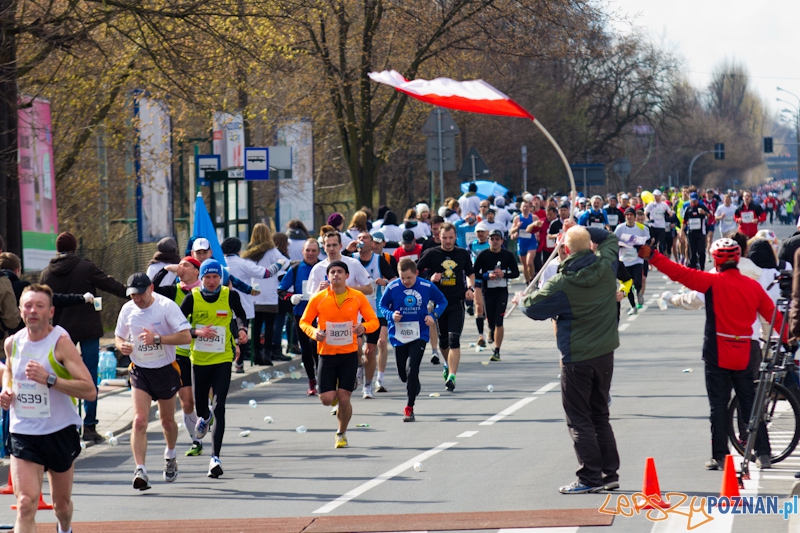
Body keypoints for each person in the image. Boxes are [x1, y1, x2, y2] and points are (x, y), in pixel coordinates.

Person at [645, 238, 780, 470]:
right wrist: (788, 340)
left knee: (718, 406)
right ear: (737, 258)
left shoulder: (711, 282)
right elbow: (774, 317)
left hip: (718, 351)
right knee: (750, 403)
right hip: (747, 351)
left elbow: (679, 273)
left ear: (715, 260)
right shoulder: (753, 286)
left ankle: (719, 456)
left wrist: (653, 256)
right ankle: (764, 453)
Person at [513, 223, 620, 494]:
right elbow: (608, 237)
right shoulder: (607, 265)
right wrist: (580, 228)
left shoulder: (563, 282)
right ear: (591, 246)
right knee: (600, 415)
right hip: (605, 354)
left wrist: (521, 299)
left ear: (565, 249)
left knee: (579, 418)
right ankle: (609, 474)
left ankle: (590, 478)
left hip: (577, 357)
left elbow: (532, 308)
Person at [1, 284, 97, 533]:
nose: (33, 311)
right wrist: (6, 390)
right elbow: (9, 370)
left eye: (39, 306)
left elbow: (89, 390)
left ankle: (64, 528)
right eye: (28, 306)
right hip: (23, 431)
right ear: (20, 311)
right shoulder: (12, 343)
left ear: (51, 311)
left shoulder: (60, 344)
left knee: (61, 506)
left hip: (59, 432)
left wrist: (50, 379)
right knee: (25, 503)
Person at [39, 231, 127, 444]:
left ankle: (63, 424)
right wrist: (130, 292)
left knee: (60, 377)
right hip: (87, 330)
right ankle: (89, 426)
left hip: (60, 333)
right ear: (75, 247)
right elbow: (109, 283)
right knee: (89, 377)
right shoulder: (86, 267)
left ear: (57, 249)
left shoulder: (46, 274)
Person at [114, 273, 192, 490]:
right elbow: (119, 337)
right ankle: (140, 470)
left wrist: (158, 339)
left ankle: (170, 454)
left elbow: (186, 336)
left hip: (165, 369)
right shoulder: (128, 309)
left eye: (140, 294)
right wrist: (122, 347)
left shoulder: (166, 306)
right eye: (132, 295)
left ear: (151, 288)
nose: (136, 299)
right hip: (140, 370)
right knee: (139, 421)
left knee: (167, 421)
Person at [180, 259, 248, 478]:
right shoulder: (193, 298)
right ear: (201, 278)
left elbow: (240, 315)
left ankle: (215, 457)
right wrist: (195, 332)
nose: (211, 281)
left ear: (221, 278)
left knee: (219, 406)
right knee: (203, 409)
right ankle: (204, 417)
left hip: (222, 359)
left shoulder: (230, 295)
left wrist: (242, 331)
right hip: (199, 361)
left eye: (215, 277)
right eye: (207, 277)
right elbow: (177, 325)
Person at [299, 261, 379, 448]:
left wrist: (363, 327)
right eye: (332, 272)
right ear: (328, 277)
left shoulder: (357, 297)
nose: (336, 275)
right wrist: (314, 333)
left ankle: (341, 433)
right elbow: (304, 322)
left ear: (347, 276)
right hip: (326, 354)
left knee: (344, 398)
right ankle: (334, 392)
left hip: (349, 354)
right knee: (327, 399)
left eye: (340, 272)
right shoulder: (318, 298)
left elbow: (373, 321)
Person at [379, 258, 447, 421]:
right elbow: (382, 306)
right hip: (399, 335)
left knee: (412, 368)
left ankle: (409, 408)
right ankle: (413, 383)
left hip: (419, 333)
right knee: (404, 374)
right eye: (402, 278)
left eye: (409, 278)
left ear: (416, 273)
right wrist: (391, 315)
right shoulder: (393, 287)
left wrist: (433, 316)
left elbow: (442, 302)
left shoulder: (426, 286)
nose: (405, 281)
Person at [152, 257, 206, 456]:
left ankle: (208, 415)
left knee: (206, 396)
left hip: (204, 352)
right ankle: (196, 442)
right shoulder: (172, 291)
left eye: (186, 265)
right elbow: (152, 287)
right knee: (186, 402)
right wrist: (167, 269)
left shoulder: (205, 291)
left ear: (196, 271)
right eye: (180, 264)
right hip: (181, 353)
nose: (181, 268)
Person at [416, 222, 475, 391]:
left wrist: (470, 288)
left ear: (455, 237)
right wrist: (429, 278)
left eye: (451, 238)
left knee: (454, 340)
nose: (448, 241)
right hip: (438, 304)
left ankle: (452, 376)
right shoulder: (431, 254)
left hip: (456, 302)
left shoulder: (462, 254)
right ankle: (446, 364)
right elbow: (415, 273)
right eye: (445, 238)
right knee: (443, 343)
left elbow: (470, 273)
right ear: (438, 237)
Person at [241, 224, 291, 365]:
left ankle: (256, 355)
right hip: (269, 293)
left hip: (254, 292)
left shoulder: (248, 252)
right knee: (270, 325)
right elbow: (286, 264)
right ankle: (267, 355)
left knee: (256, 326)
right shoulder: (272, 251)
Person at [279, 239, 321, 394]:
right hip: (301, 314)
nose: (310, 254)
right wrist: (291, 297)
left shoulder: (324, 267)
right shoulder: (296, 269)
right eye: (308, 250)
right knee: (306, 348)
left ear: (318, 252)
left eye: (313, 251)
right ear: (303, 251)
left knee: (316, 345)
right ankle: (312, 381)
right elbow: (281, 289)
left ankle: (321, 377)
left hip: (322, 314)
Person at [473, 229, 519, 362]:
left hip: (502, 292)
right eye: (492, 239)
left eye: (497, 239)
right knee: (491, 319)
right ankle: (490, 329)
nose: (494, 242)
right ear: (488, 241)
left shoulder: (507, 255)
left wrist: (504, 275)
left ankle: (497, 350)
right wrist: (487, 276)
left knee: (500, 321)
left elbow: (515, 273)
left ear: (502, 241)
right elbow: (475, 272)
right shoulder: (483, 255)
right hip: (488, 291)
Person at [644, 190, 673, 254]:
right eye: (654, 196)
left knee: (660, 245)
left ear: (660, 196)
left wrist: (668, 216)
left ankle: (660, 257)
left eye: (656, 196)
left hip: (661, 227)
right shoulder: (651, 204)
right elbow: (645, 213)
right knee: (652, 243)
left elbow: (670, 213)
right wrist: (647, 219)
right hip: (653, 226)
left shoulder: (664, 205)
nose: (655, 197)